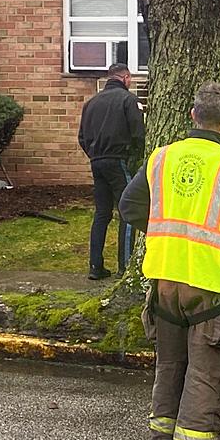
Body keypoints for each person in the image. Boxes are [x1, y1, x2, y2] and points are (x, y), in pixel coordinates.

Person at [118, 82, 220, 440]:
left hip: (165, 282)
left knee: (171, 364)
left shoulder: (161, 158)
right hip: (213, 286)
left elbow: (130, 206)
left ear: (192, 116)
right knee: (206, 370)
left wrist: (169, 234)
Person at [78, 63, 145, 280]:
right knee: (127, 210)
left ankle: (95, 266)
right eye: (130, 79)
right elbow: (138, 133)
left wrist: (94, 154)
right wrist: (134, 158)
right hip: (119, 161)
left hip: (96, 161)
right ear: (125, 77)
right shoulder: (128, 100)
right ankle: (124, 267)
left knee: (102, 213)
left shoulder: (90, 104)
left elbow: (82, 137)